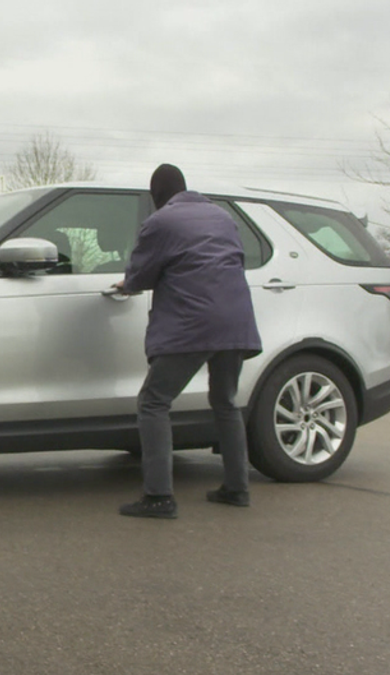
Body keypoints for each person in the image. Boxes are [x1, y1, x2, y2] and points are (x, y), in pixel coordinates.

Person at [115, 164, 261, 519]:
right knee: (225, 402)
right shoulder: (222, 216)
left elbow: (141, 273)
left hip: (193, 323)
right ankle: (237, 488)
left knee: (154, 402)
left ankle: (159, 497)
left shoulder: (161, 221)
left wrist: (127, 284)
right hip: (235, 321)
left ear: (157, 195)